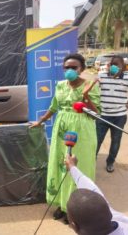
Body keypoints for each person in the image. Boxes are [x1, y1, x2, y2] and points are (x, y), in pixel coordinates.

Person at [31, 53, 101, 223]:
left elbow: (96, 114)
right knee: (60, 165)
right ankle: (62, 205)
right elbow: (54, 106)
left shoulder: (90, 85)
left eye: (74, 67)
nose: (69, 70)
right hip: (61, 130)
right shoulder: (61, 85)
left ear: (82, 69)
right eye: (67, 67)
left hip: (82, 131)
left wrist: (85, 96)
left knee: (78, 167)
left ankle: (78, 209)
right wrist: (40, 121)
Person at [65, 154, 128, 234]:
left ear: (74, 226)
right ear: (109, 213)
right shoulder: (120, 219)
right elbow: (92, 188)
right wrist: (72, 167)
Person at [96, 55, 128, 173]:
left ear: (123, 67)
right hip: (103, 115)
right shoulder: (102, 76)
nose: (115, 67)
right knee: (97, 140)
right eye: (113, 64)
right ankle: (91, 160)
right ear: (110, 65)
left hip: (119, 116)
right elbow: (94, 91)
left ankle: (110, 162)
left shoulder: (127, 78)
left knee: (116, 141)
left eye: (118, 65)